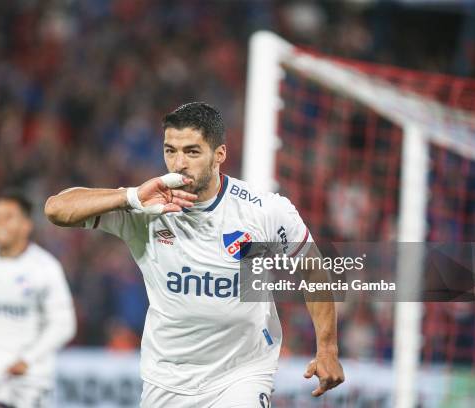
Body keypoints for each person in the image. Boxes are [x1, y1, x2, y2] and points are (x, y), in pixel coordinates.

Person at [44, 102, 344, 407]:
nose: (178, 163)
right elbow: (56, 210)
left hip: (241, 373)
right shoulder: (146, 207)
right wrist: (131, 197)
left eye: (192, 151)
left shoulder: (264, 211)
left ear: (220, 155)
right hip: (167, 379)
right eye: (170, 150)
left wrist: (328, 349)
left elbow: (313, 270)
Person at [0, 190, 76, 408]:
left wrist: (28, 359)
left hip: (30, 374)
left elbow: (64, 324)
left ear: (27, 225)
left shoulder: (45, 268)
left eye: (8, 217)